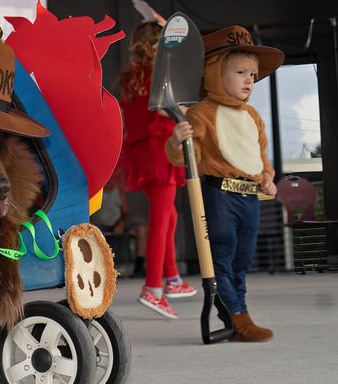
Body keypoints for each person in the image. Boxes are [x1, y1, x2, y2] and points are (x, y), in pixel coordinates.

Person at [166, 25, 282, 342]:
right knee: (221, 256)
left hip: (250, 198)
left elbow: (259, 155)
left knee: (241, 260)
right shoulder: (202, 114)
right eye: (241, 72)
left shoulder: (253, 116)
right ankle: (236, 317)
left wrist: (268, 178)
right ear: (216, 73)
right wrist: (177, 142)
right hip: (221, 195)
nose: (249, 80)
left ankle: (238, 311)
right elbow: (188, 158)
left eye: (253, 75)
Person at [119, 21, 197, 319]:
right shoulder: (159, 74)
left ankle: (173, 278)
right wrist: (188, 109)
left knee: (169, 215)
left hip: (143, 150)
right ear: (158, 47)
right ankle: (153, 287)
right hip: (160, 148)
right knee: (161, 220)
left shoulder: (132, 77)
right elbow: (168, 109)